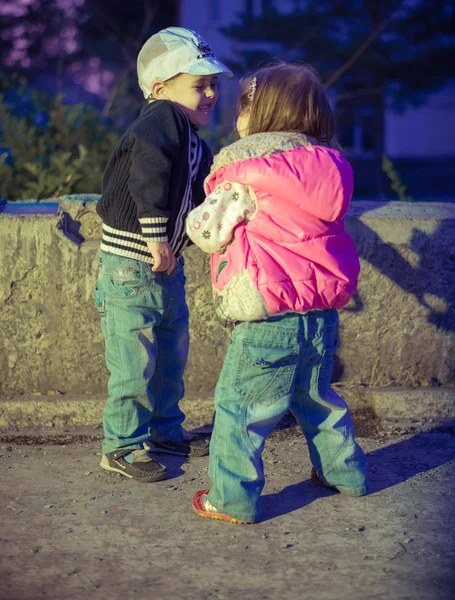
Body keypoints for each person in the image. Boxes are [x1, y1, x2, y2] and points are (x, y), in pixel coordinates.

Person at [186, 63, 368, 523]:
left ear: (256, 112)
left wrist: (194, 220)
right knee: (317, 397)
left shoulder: (245, 169)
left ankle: (232, 499)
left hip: (268, 314)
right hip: (321, 314)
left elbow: (208, 233)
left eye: (241, 106)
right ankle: (347, 473)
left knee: (240, 408)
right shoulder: (330, 166)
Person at [95, 27, 233, 482]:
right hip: (132, 264)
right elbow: (146, 176)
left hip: (166, 268)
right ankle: (121, 445)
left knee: (171, 357)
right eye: (198, 84)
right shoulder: (160, 121)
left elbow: (194, 201)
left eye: (213, 83)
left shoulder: (193, 138)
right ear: (160, 88)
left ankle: (164, 430)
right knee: (135, 363)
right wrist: (156, 236)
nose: (211, 93)